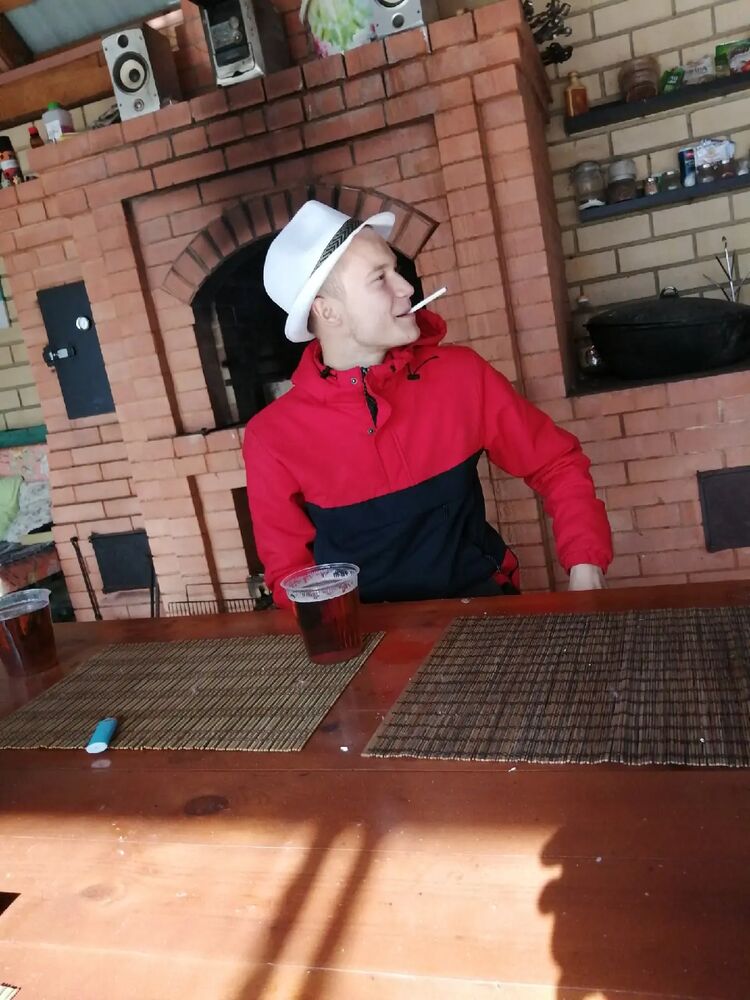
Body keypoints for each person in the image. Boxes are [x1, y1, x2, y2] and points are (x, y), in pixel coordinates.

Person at [243, 200, 612, 608]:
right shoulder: (271, 437)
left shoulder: (460, 374)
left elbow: (556, 463)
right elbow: (290, 575)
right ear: (327, 310)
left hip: (482, 609)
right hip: (365, 630)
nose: (405, 288)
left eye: (396, 271)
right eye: (379, 278)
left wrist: (586, 565)